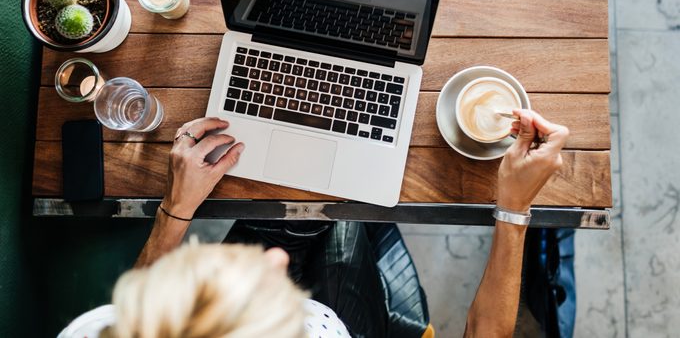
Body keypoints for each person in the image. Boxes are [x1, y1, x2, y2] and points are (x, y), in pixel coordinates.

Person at [59, 109, 569, 338]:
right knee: (349, 212)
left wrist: (177, 206)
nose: (274, 265)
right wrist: (514, 208)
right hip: (364, 325)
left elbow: (141, 308)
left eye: (204, 285)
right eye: (252, 300)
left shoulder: (104, 332)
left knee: (309, 220)